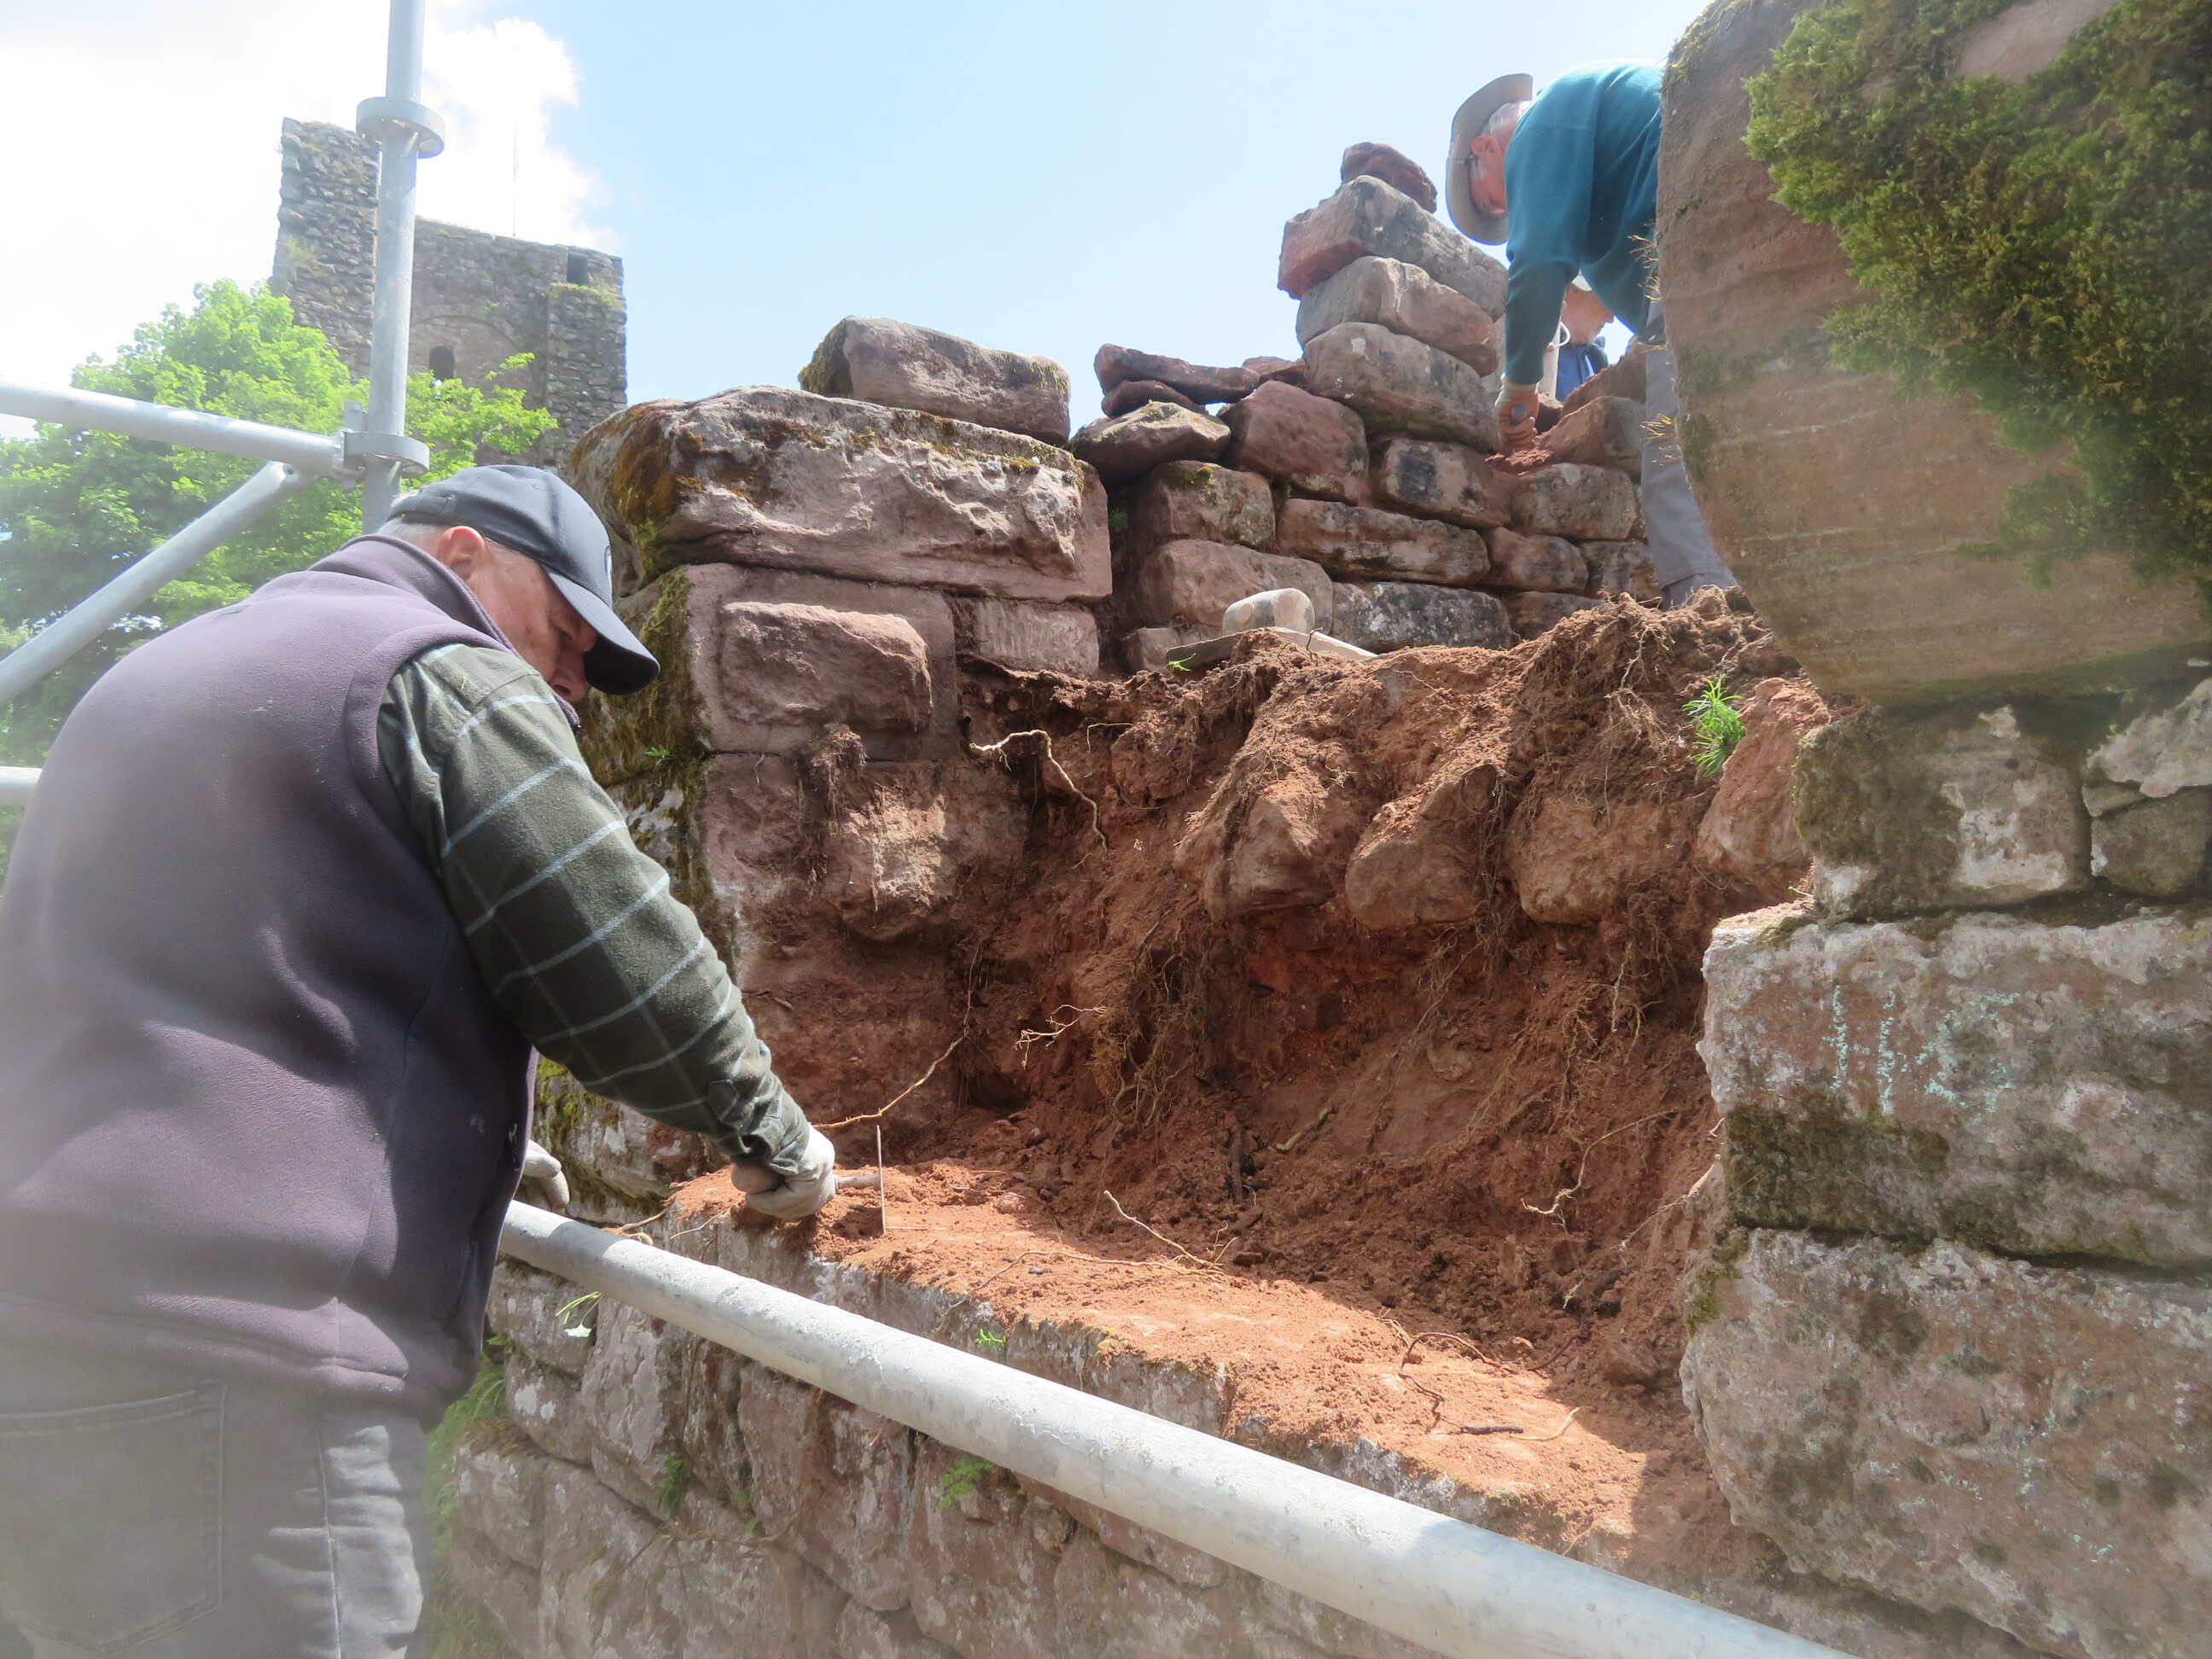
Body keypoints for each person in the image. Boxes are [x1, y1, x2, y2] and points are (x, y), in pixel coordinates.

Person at [0, 465, 834, 1657]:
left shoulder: (168, 669)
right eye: (563, 633)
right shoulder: (428, 666)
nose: (568, 680)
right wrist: (773, 1136)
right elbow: (617, 960)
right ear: (462, 552)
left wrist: (452, 1149)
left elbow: (250, 970)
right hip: (237, 1381)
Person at [1446, 62, 1738, 605]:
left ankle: (1708, 621)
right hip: (1728, 237)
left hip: (1701, 251)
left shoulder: (1540, 124)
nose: (1506, 212)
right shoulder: (1595, 132)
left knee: (1677, 455)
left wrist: (1520, 387)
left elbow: (1538, 261)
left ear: (1485, 149)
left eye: (1492, 202)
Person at [1553, 277, 1613, 403]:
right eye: (1607, 302)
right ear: (1575, 290)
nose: (1611, 318)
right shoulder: (1528, 346)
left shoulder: (1597, 362)